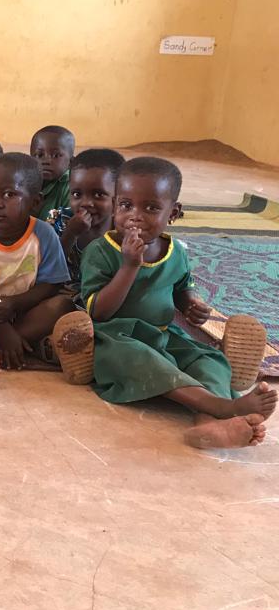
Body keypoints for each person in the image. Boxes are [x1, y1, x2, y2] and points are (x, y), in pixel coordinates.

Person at [58, 157, 275, 449]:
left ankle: (207, 423)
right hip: (116, 337)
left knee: (209, 360)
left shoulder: (175, 251)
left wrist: (191, 304)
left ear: (173, 212)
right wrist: (129, 266)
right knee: (140, 359)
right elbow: (99, 310)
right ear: (114, 206)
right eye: (125, 205)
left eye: (150, 208)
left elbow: (182, 288)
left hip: (163, 333)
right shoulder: (101, 251)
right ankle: (222, 406)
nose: (135, 216)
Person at [0, 153, 75, 370]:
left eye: (9, 194)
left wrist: (15, 303)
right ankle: (17, 345)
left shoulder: (44, 234)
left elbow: (50, 285)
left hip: (25, 311)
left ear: (35, 202)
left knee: (62, 305)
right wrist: (3, 330)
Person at [47, 148, 125, 293]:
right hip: (64, 297)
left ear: (119, 197)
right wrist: (70, 234)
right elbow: (48, 269)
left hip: (107, 300)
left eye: (98, 194)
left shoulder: (125, 230)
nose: (86, 203)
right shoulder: (58, 221)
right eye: (77, 194)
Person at [31, 125, 75, 220]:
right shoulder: (26, 182)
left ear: (71, 162)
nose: (46, 160)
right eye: (39, 155)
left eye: (56, 155)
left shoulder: (70, 187)